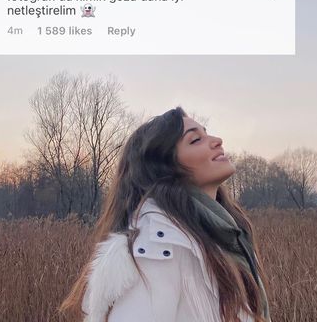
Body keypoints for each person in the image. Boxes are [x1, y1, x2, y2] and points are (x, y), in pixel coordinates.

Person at [61, 108, 270, 322]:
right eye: (195, 140)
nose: (217, 141)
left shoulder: (223, 237)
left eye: (207, 133)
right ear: (166, 167)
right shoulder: (157, 250)